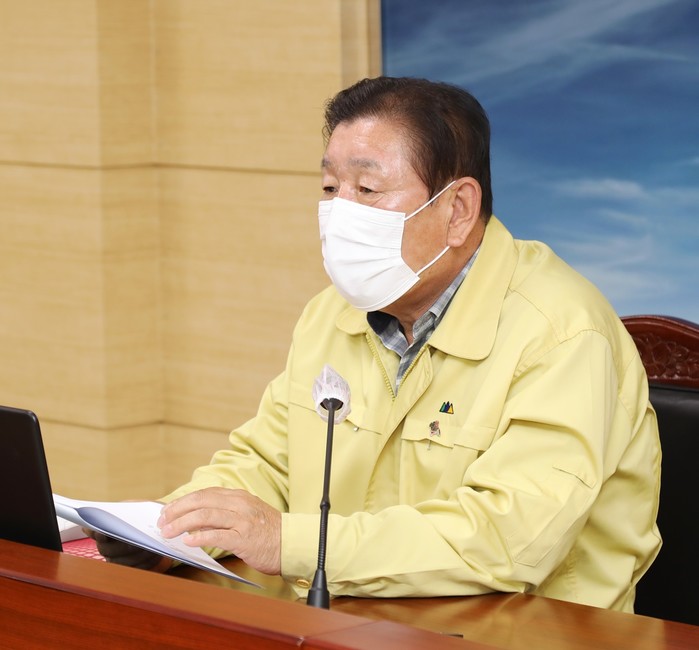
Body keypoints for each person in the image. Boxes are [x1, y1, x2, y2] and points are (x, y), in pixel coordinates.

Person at [92, 76, 661, 612]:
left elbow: (508, 541)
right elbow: (269, 463)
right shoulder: (331, 314)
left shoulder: (561, 332)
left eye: (366, 189)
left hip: (530, 632)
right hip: (363, 618)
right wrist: (169, 530)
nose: (341, 212)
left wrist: (287, 542)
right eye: (330, 188)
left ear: (458, 210)